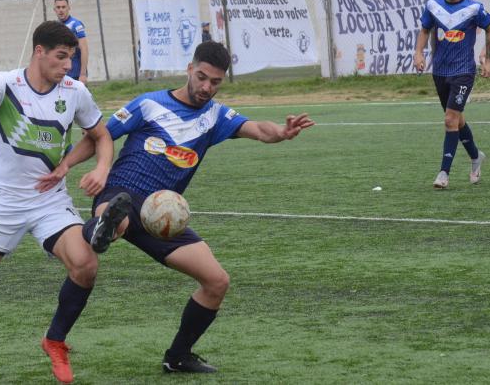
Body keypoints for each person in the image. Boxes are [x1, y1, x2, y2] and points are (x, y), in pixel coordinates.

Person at [37, 41, 314, 374]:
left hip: (161, 216)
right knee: (119, 215)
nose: (207, 87)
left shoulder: (215, 117)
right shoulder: (149, 104)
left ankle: (179, 355)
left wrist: (281, 133)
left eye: (215, 82)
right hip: (122, 191)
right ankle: (102, 227)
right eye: (202, 77)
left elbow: (258, 129)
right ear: (189, 69)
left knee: (217, 281)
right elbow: (99, 136)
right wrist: (65, 166)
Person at [0, 21, 124, 385]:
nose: (68, 65)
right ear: (39, 51)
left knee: (85, 265)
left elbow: (101, 136)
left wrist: (102, 167)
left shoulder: (75, 92)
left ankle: (55, 340)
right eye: (61, 57)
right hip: (1, 204)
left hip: (49, 201)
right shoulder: (4, 85)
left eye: (71, 57)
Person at [414, 0, 490, 189]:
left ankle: (443, 173)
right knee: (456, 119)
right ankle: (476, 156)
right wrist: (418, 52)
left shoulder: (474, 8)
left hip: (463, 71)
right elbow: (424, 30)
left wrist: (488, 59)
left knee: (450, 119)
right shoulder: (433, 6)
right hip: (440, 71)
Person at [54, 0, 89, 84]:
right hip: (62, 74)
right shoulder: (55, 26)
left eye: (63, 7)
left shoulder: (76, 25)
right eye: (58, 7)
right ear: (54, 9)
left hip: (75, 75)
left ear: (69, 8)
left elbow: (84, 49)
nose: (61, 10)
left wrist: (83, 74)